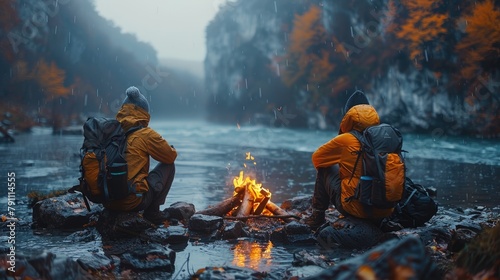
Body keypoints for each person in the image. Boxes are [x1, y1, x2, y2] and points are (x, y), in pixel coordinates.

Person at [304, 90, 395, 230]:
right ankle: (382, 218)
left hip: (354, 209)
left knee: (325, 168)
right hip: (386, 210)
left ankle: (317, 216)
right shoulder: (388, 138)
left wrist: (343, 164)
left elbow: (317, 159)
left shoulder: (346, 140)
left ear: (348, 116)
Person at [103, 86, 177, 224]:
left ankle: (116, 204)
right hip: (132, 202)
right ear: (144, 112)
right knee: (169, 165)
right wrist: (170, 148)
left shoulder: (111, 131)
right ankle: (153, 212)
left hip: (107, 201)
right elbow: (170, 156)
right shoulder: (145, 134)